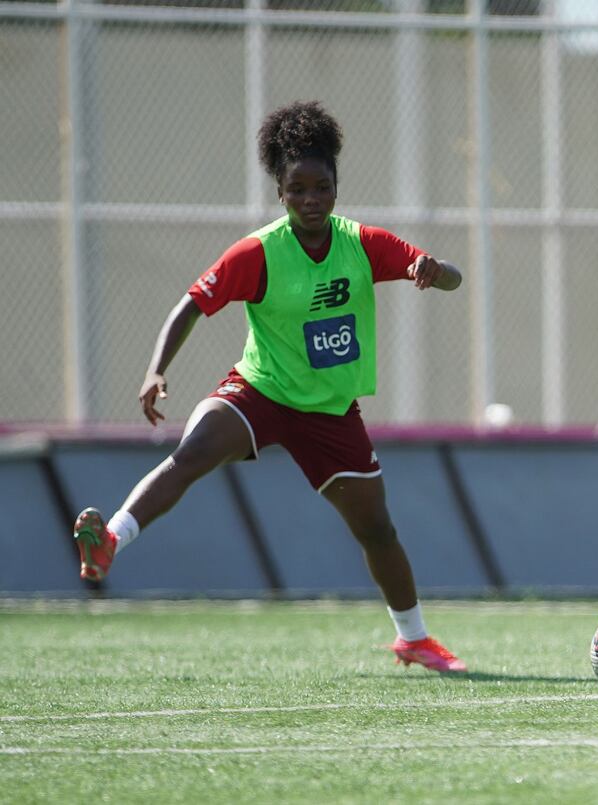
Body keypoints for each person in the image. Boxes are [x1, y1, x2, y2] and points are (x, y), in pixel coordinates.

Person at [72, 101, 468, 673]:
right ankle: (108, 541)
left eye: (322, 187)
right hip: (260, 392)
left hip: (331, 412)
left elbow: (448, 276)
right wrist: (156, 369)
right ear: (280, 192)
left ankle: (414, 638)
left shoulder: (363, 244)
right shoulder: (259, 252)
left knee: (376, 528)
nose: (311, 199)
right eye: (298, 188)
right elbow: (191, 304)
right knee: (194, 452)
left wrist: (435, 269)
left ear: (337, 187)